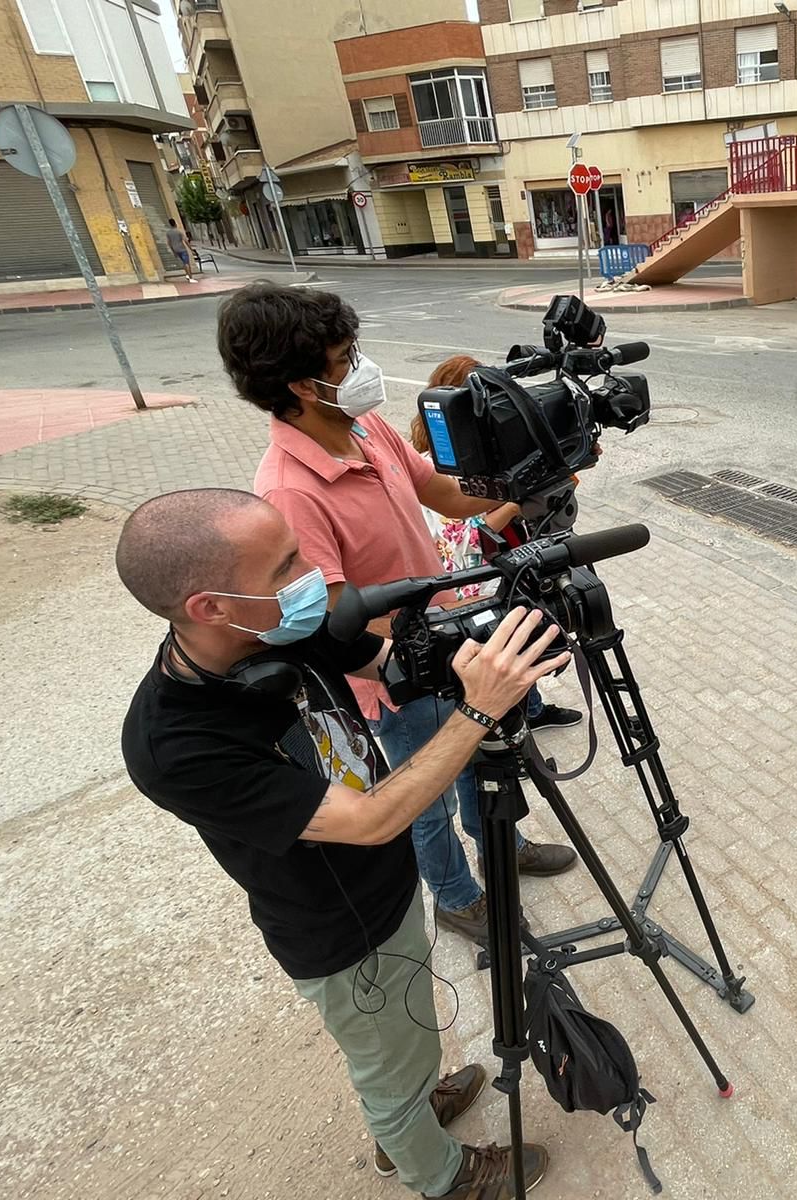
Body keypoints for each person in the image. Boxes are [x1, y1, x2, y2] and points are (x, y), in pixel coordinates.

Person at [118, 488, 564, 1198]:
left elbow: (384, 659)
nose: (309, 576)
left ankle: (416, 1102)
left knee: (402, 1033)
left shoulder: (279, 630)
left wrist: (467, 649)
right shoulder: (175, 743)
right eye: (285, 565)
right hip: (338, 932)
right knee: (383, 1060)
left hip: (386, 893)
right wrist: (482, 706)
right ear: (212, 607)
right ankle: (440, 1173)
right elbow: (373, 819)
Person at [217, 283, 579, 951]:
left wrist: (523, 477)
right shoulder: (288, 491)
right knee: (428, 792)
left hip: (452, 641)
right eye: (345, 358)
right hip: (397, 676)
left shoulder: (365, 428)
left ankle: (505, 845)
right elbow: (335, 618)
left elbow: (441, 492)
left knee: (484, 756)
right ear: (300, 385)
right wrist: (429, 659)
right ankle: (458, 898)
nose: (361, 367)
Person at [165, 217, 196, 283]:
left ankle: (187, 274)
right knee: (187, 263)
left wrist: (173, 251)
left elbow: (169, 243)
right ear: (175, 224)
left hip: (176, 250)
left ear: (170, 224)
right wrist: (191, 249)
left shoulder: (168, 233)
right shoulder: (179, 231)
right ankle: (190, 278)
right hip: (182, 249)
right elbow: (185, 241)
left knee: (183, 263)